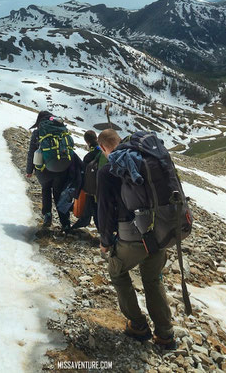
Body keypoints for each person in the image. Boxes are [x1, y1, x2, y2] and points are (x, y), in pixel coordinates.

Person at [96, 128, 175, 350]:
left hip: (131, 238)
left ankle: (138, 325)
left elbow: (105, 210)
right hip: (159, 233)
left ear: (103, 148)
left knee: (117, 272)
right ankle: (165, 334)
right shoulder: (145, 160)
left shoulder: (108, 170)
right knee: (152, 280)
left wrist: (105, 240)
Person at [26, 110, 76, 231]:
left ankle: (47, 215)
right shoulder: (61, 130)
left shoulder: (38, 132)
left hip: (43, 169)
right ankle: (65, 223)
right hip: (62, 168)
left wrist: (29, 170)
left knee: (46, 190)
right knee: (59, 194)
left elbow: (32, 152)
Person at [70, 130, 102, 231]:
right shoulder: (103, 151)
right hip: (104, 187)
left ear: (87, 142)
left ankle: (105, 238)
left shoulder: (89, 156)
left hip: (92, 189)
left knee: (94, 211)